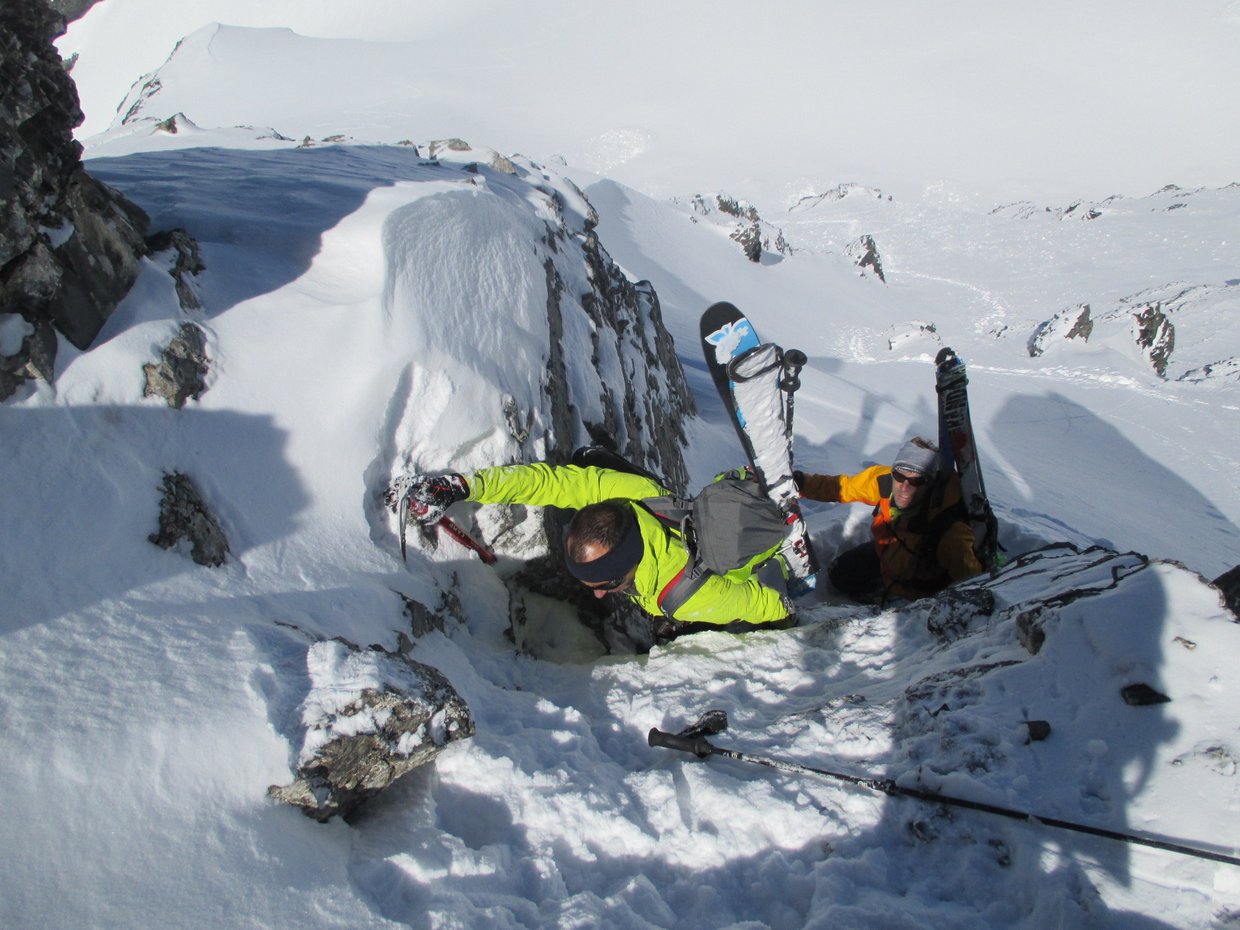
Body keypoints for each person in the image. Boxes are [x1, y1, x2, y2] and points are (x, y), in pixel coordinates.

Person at [389, 458, 796, 641]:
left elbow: (761, 604)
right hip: (691, 527)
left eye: (607, 583)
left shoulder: (682, 596)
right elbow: (543, 482)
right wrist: (464, 486)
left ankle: (782, 548)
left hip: (735, 571)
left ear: (630, 562)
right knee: (585, 463)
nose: (599, 593)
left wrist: (786, 611)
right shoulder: (635, 495)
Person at [797, 436, 982, 603]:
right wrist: (802, 483)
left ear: (931, 483)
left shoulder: (949, 530)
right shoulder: (884, 482)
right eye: (900, 476)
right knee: (839, 575)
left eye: (917, 481)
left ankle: (895, 599)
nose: (905, 487)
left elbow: (970, 580)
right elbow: (842, 488)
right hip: (888, 558)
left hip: (921, 588)